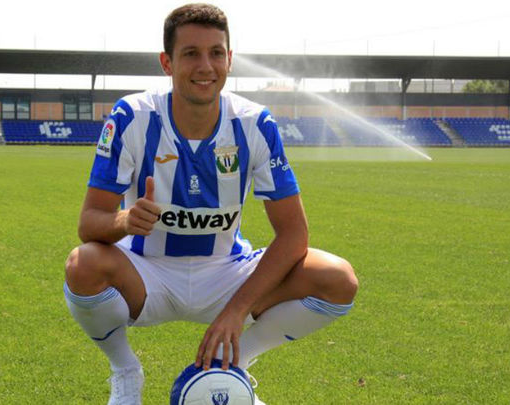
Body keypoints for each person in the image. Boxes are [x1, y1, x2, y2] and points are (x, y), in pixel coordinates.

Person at [63, 3, 358, 404]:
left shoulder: (254, 123)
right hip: (148, 274)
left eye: (216, 53)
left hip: (226, 272)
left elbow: (294, 235)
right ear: (167, 63)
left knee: (338, 279)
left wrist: (236, 312)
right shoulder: (132, 116)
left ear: (229, 59)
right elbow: (89, 223)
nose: (206, 66)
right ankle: (125, 370)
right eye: (191, 54)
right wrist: (125, 220)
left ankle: (232, 365)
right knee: (82, 265)